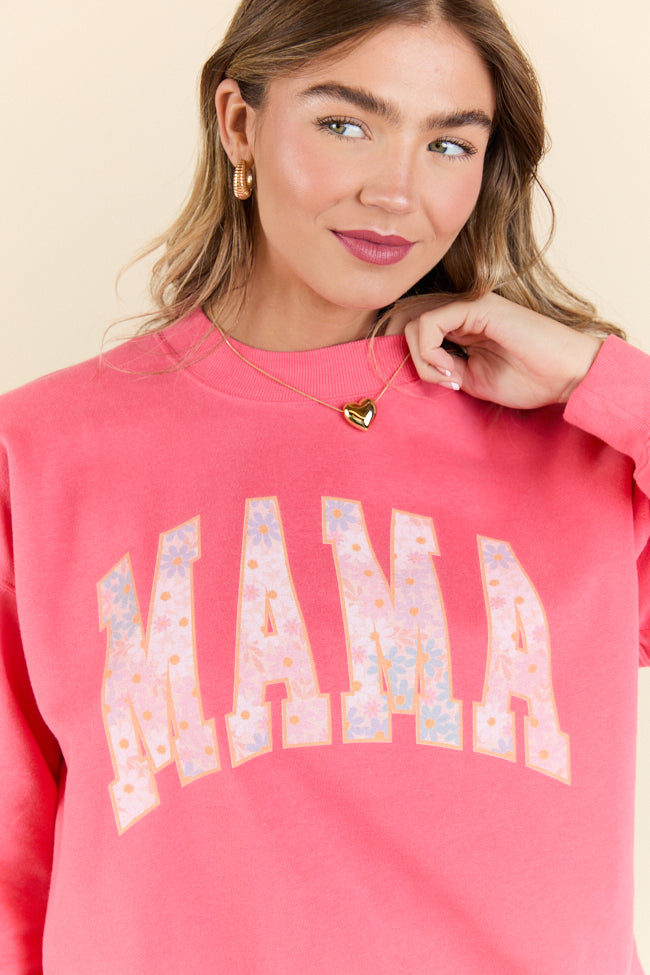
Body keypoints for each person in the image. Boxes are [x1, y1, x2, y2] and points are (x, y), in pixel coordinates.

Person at [0, 0, 648, 972]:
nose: (395, 192)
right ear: (239, 123)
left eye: (448, 144)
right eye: (346, 124)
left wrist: (594, 374)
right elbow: (14, 868)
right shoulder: (40, 453)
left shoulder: (585, 445)